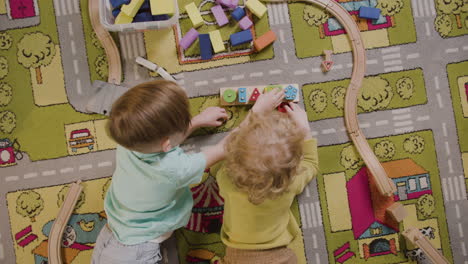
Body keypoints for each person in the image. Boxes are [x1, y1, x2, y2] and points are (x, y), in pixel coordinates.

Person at [92, 80, 229, 264]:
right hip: (138, 249)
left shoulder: (128, 142)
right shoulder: (176, 169)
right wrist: (258, 112)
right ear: (167, 144)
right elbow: (224, 149)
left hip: (117, 226)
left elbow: (162, 139)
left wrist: (196, 121)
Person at [211, 102, 319, 264]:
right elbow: (311, 163)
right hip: (278, 256)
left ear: (234, 158)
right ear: (293, 167)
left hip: (238, 257)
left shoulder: (227, 179)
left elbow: (215, 163)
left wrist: (252, 116)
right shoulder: (291, 182)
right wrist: (305, 131)